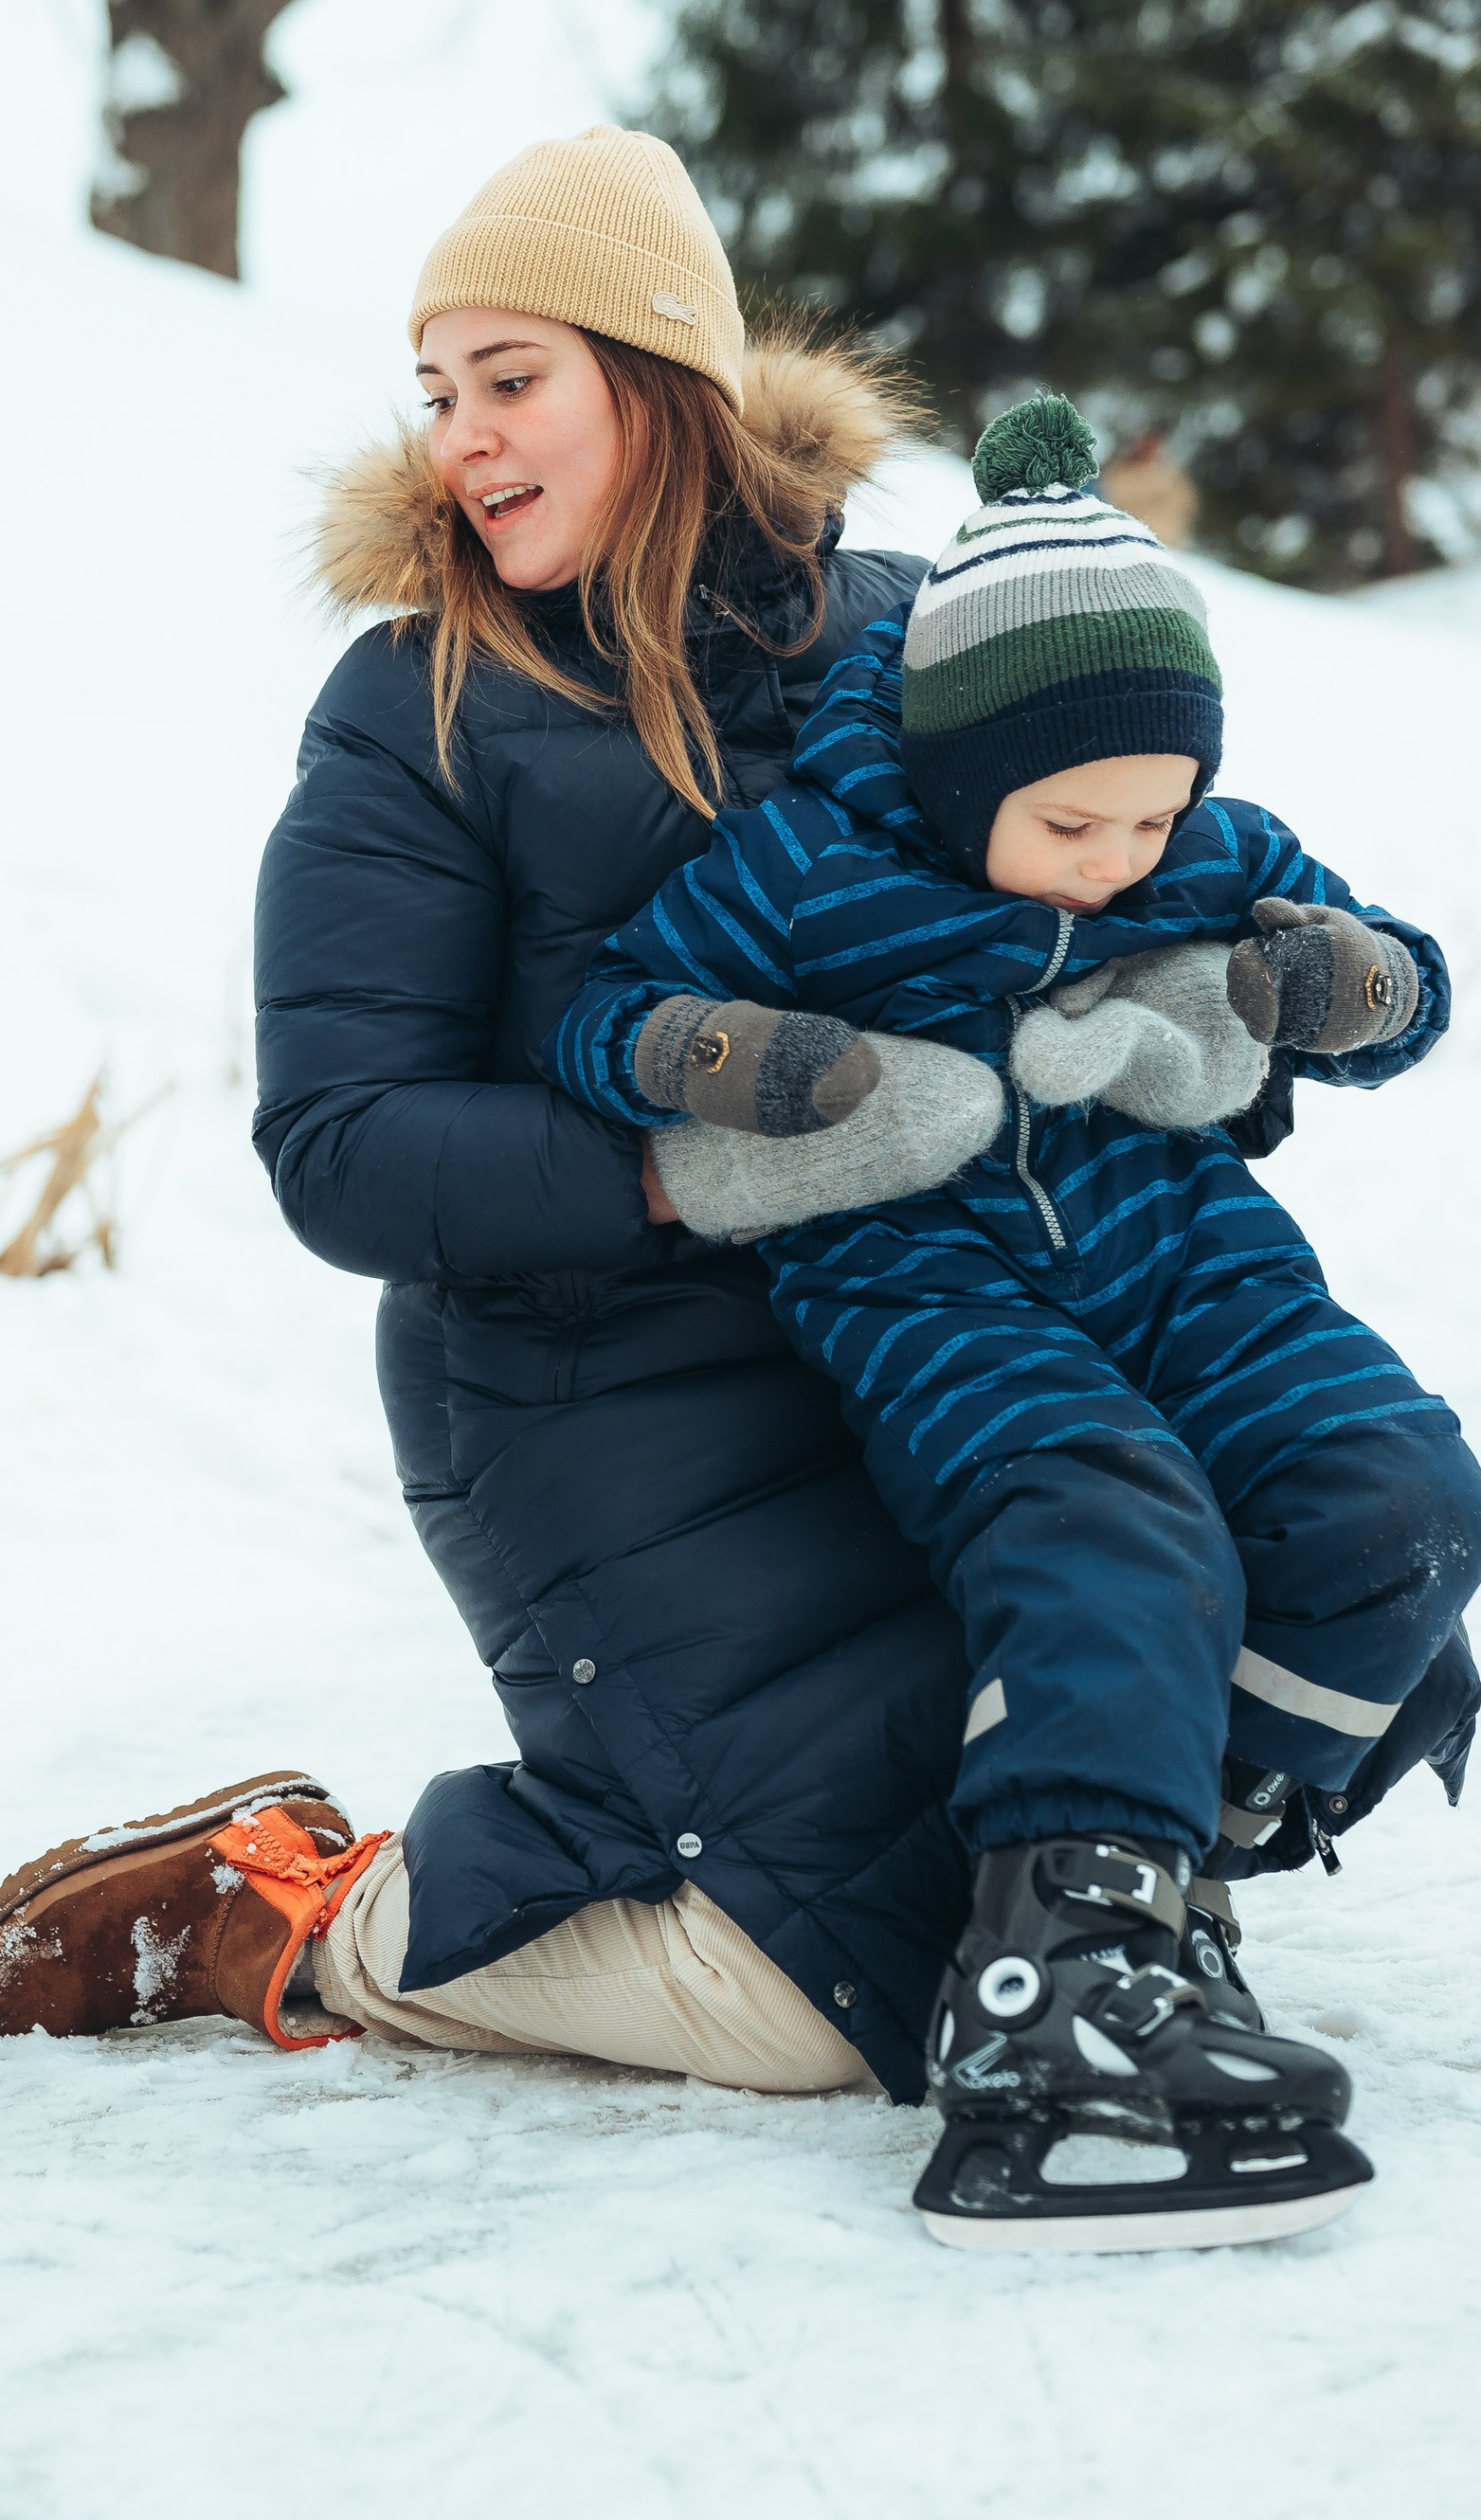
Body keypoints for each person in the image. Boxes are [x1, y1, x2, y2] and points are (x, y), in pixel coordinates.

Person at [0, 128, 976, 2105]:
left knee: (1101, 1800)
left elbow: (1106, 873)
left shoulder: (916, 632)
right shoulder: (416, 701)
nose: (460, 438)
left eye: (511, 377)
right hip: (601, 1388)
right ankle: (297, 1918)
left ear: (660, 380)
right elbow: (340, 1145)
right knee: (822, 2002)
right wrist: (693, 1168)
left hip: (923, 1339)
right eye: (437, 392)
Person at [549, 392, 1481, 2243]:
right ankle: (1042, 1986)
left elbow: (1409, 987)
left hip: (1184, 1240)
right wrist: (736, 1059)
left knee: (1400, 1490)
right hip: (926, 1270)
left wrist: (1344, 985)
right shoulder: (812, 862)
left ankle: (1171, 1860)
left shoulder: (1201, 843)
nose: (1121, 857)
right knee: (1111, 1527)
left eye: (1156, 814)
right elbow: (602, 1015)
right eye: (1070, 822)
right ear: (961, 769)